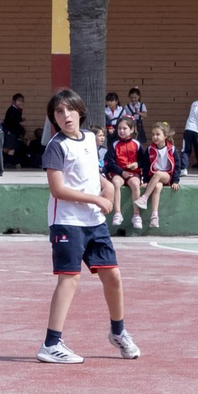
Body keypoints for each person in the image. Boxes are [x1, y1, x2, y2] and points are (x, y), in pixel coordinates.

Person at [36, 89, 141, 365]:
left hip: (94, 223)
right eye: (59, 112)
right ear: (54, 118)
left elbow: (90, 171)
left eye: (70, 109)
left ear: (80, 112)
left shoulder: (90, 138)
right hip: (67, 223)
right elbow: (57, 189)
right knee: (69, 279)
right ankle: (51, 344)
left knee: (113, 276)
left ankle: (118, 332)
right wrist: (96, 198)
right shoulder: (56, 146)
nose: (66, 115)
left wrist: (105, 185)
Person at [132, 122, 181, 229]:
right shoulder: (150, 149)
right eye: (153, 134)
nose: (155, 137)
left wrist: (175, 181)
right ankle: (154, 216)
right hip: (154, 178)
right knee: (157, 187)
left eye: (158, 134)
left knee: (158, 174)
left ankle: (144, 198)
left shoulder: (171, 149)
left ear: (165, 136)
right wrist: (145, 180)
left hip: (167, 176)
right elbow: (146, 165)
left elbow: (177, 166)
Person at [102, 116, 146, 229]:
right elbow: (110, 162)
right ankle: (117, 213)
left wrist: (137, 164)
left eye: (124, 128)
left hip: (133, 173)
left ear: (132, 130)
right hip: (118, 173)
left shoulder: (136, 144)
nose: (121, 131)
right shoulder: (114, 144)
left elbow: (144, 160)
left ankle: (136, 215)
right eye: (119, 128)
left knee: (135, 184)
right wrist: (121, 172)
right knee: (116, 182)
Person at [2, 94, 25, 169]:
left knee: (12, 147)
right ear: (14, 101)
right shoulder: (12, 109)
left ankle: (8, 162)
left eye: (22, 101)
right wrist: (20, 117)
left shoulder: (16, 110)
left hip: (13, 132)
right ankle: (5, 162)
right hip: (9, 131)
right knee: (9, 148)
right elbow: (14, 120)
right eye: (18, 101)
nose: (20, 103)